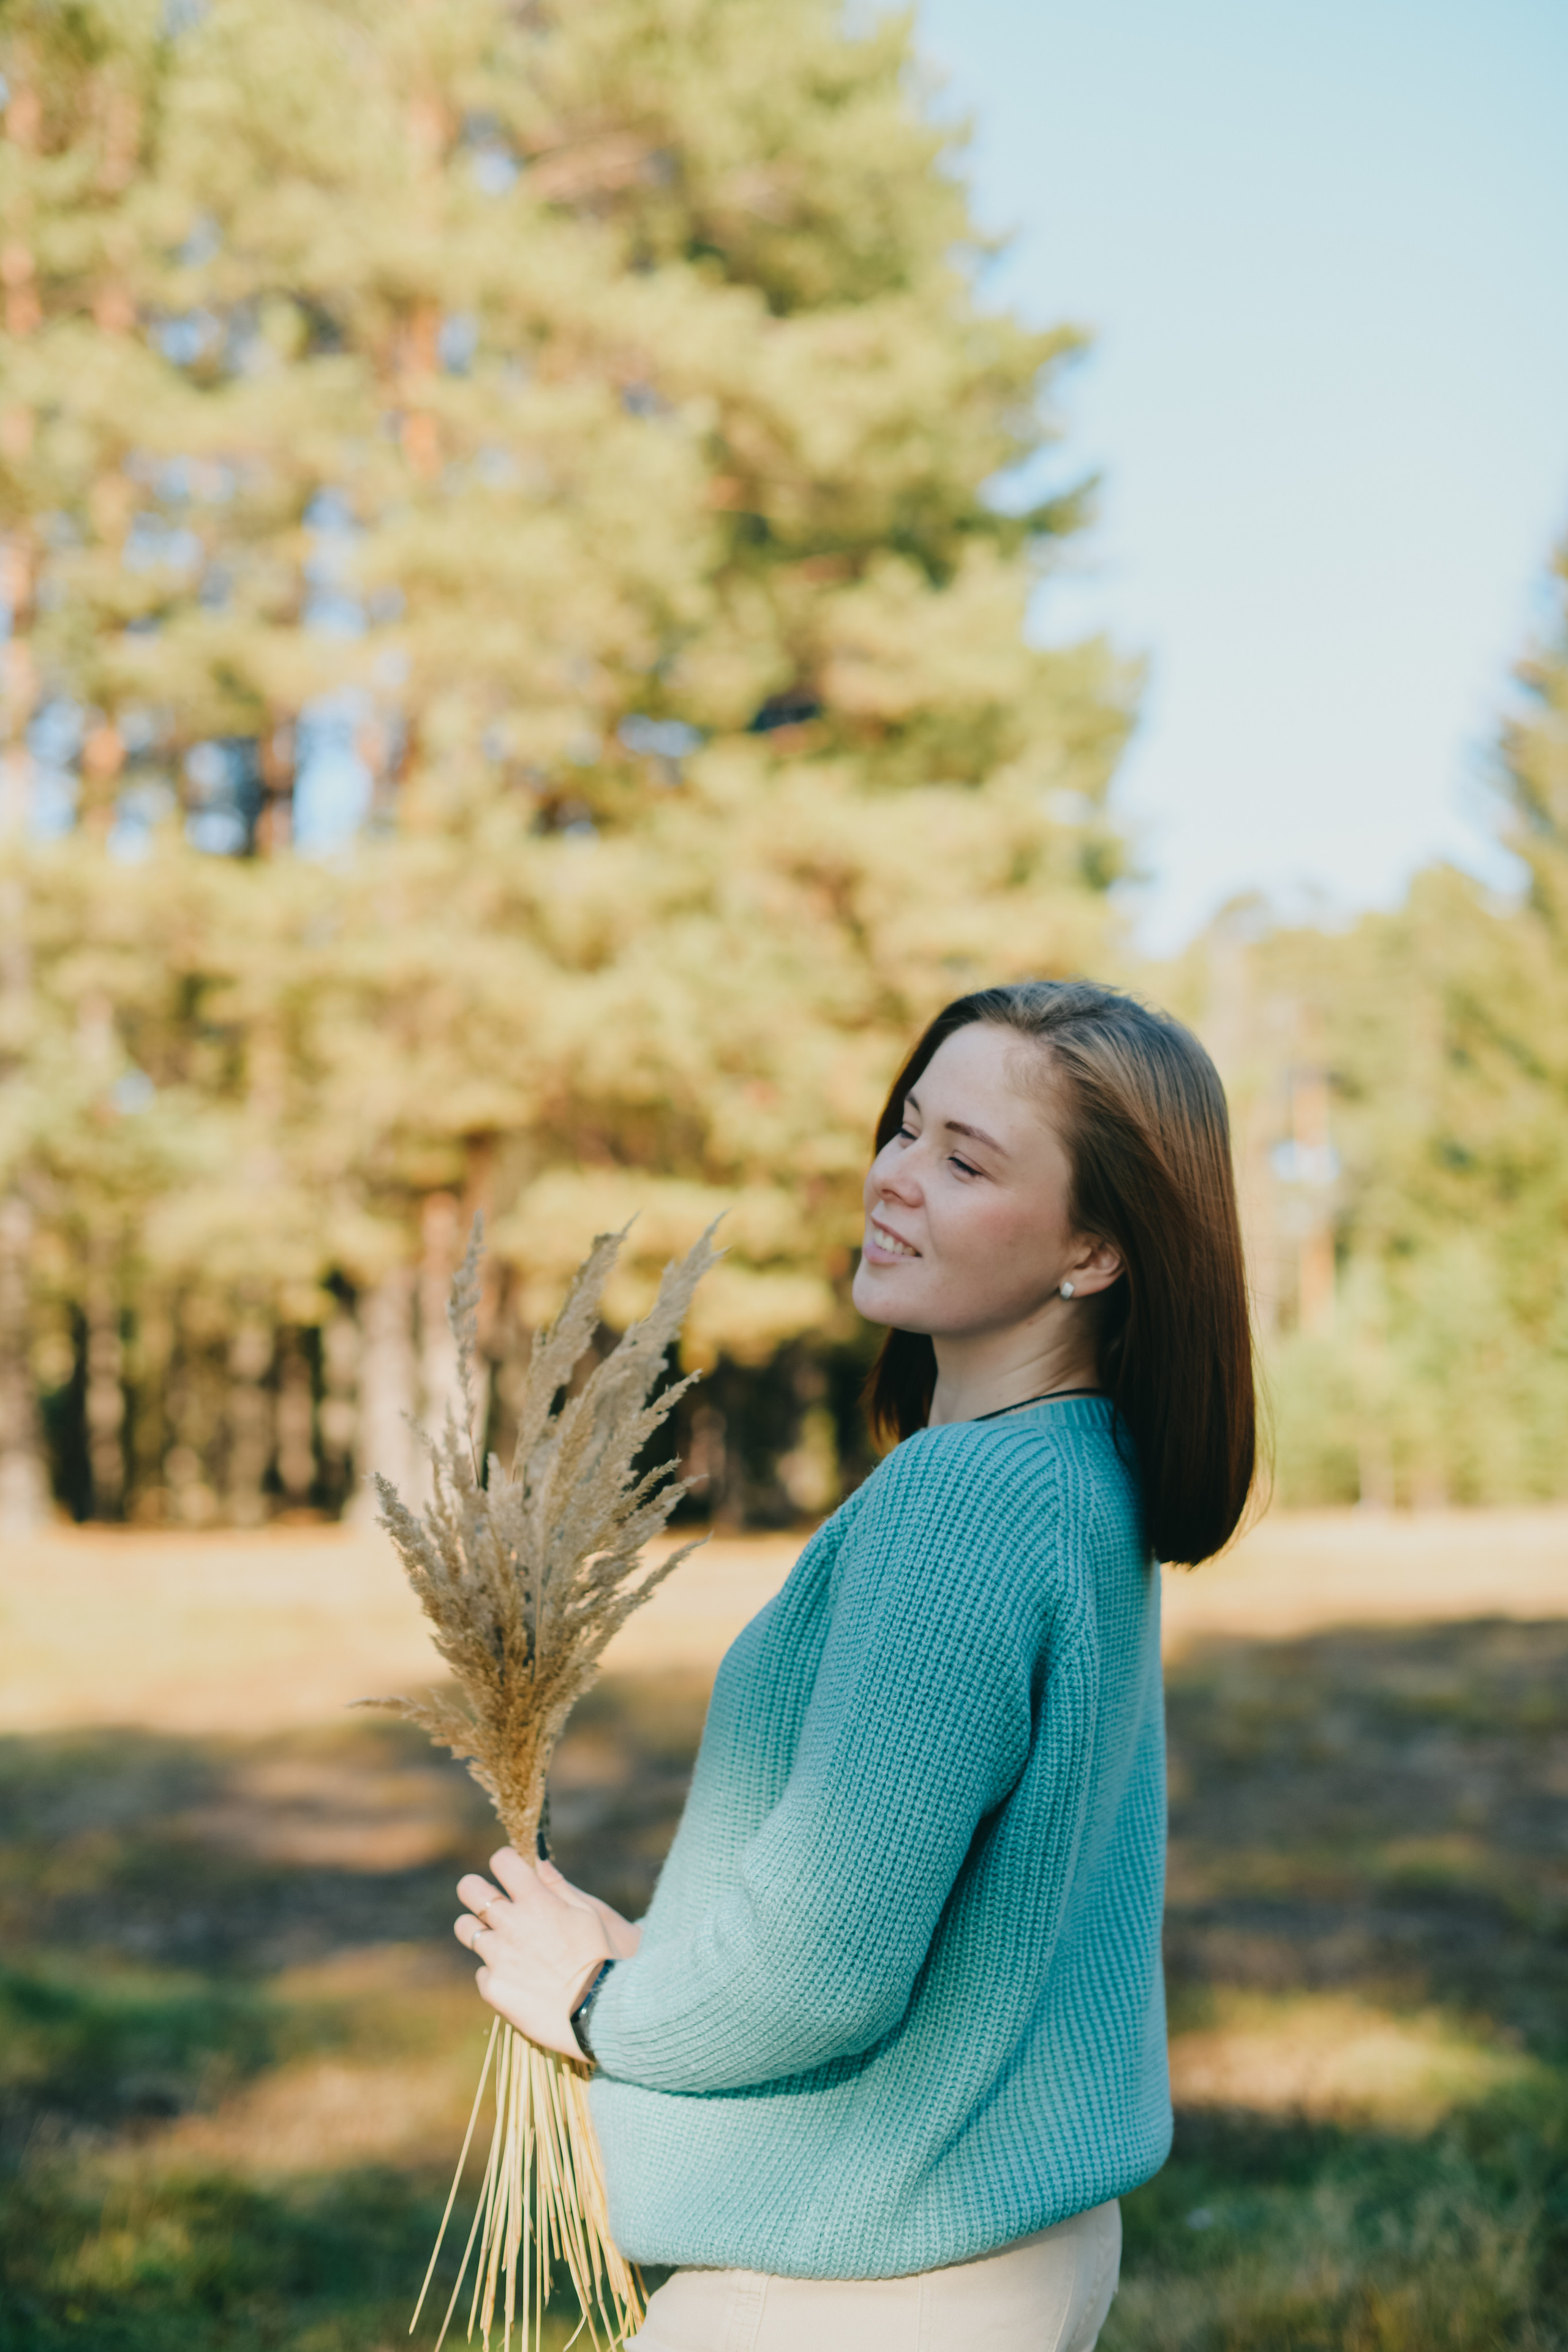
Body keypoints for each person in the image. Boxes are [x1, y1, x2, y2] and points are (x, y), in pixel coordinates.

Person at [453, 978, 1258, 2351]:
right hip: (1002, 2246)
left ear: (1093, 1250)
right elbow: (935, 1894)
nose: (894, 1176)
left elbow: (824, 1966)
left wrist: (592, 2007)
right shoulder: (1078, 1474)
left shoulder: (966, 1502)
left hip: (861, 2283)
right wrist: (656, 1965)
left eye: (965, 1161)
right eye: (906, 1126)